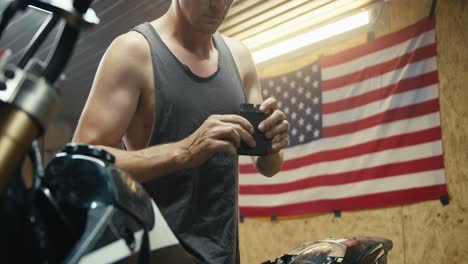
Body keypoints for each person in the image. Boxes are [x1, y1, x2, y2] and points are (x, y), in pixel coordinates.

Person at [73, 0, 289, 263]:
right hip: (155, 254)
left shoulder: (239, 56)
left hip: (224, 255)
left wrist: (272, 142)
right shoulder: (133, 52)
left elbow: (268, 166)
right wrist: (184, 151)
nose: (219, 6)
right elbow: (83, 165)